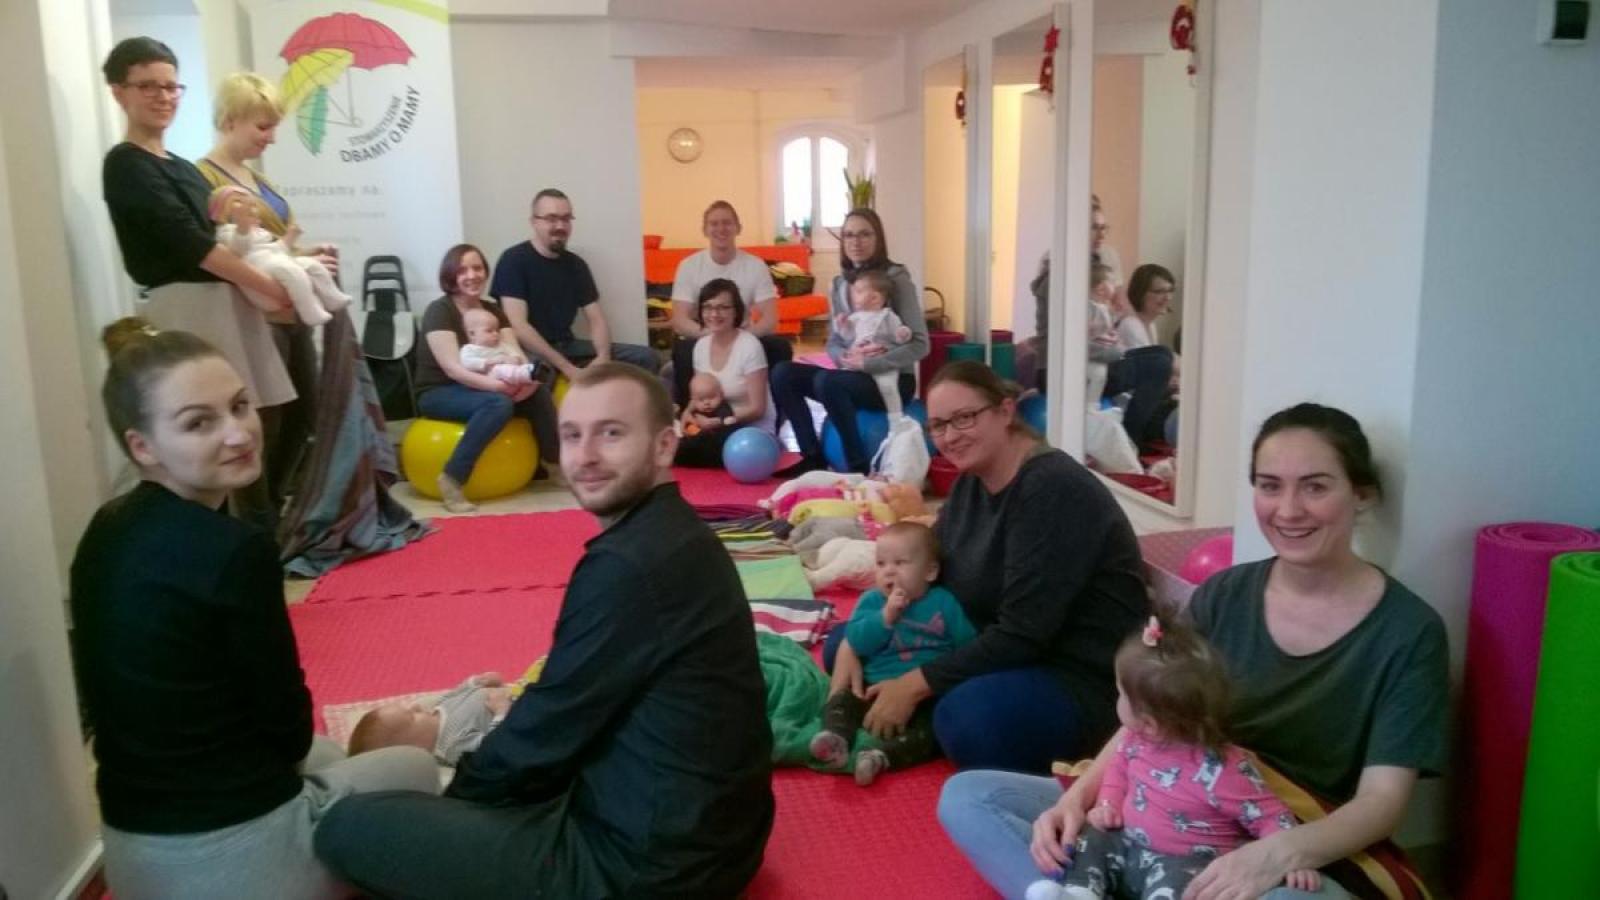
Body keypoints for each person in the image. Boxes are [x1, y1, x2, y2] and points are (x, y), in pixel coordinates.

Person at [939, 402, 1449, 900]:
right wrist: (1078, 799)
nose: (1289, 509)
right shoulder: (1225, 593)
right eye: (1270, 486)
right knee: (972, 797)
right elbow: (1147, 717)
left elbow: (1382, 801)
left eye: (1315, 486)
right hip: (1160, 796)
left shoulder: (1408, 630)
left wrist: (1275, 855)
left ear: (1361, 495)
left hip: (1281, 830)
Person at [314, 363, 776, 898]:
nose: (587, 455)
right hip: (722, 837)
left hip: (644, 868)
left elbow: (548, 725)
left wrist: (460, 799)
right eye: (572, 435)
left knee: (346, 824)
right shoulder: (674, 532)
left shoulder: (629, 564)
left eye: (611, 433)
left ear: (664, 446)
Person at [70, 319, 438, 900]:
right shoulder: (234, 551)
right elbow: (286, 728)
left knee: (329, 752)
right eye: (199, 423)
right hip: (229, 864)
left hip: (132, 856)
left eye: (239, 406)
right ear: (143, 446)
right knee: (414, 766)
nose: (239, 433)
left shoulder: (106, 528)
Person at [822, 361, 1147, 775]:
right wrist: (855, 640)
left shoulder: (1051, 488)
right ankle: (913, 710)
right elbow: (924, 570)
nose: (950, 437)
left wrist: (916, 683)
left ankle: (921, 713)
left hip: (1072, 671)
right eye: (938, 426)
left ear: (1005, 411)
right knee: (843, 642)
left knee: (967, 721)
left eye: (964, 418)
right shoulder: (973, 481)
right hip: (984, 637)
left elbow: (1025, 633)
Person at [101, 39, 296, 531]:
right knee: (211, 433)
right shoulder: (125, 163)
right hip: (188, 310)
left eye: (171, 86)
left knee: (259, 425)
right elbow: (192, 245)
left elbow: (221, 236)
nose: (164, 96)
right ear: (119, 92)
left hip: (228, 304)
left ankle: (259, 537)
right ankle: (233, 541)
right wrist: (271, 289)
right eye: (149, 86)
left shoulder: (183, 167)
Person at [1024, 616, 1319, 900]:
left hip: (1180, 863)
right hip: (1127, 843)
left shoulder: (1225, 771)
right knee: (1090, 837)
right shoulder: (1134, 739)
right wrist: (1107, 805)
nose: (1117, 700)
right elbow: (1118, 771)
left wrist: (1292, 858)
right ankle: (1079, 893)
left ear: (1150, 723)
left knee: (1185, 884)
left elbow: (1270, 815)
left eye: (1121, 694)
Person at [809, 522, 976, 786]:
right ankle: (835, 739)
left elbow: (968, 645)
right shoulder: (872, 601)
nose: (889, 571)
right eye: (881, 563)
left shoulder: (944, 603)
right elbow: (857, 641)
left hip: (925, 694)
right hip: (871, 686)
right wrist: (885, 617)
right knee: (842, 701)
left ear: (930, 572)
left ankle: (879, 757)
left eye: (900, 563)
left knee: (932, 730)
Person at [771, 207, 929, 475]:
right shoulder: (839, 284)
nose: (856, 242)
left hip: (891, 380)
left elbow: (921, 344)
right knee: (783, 373)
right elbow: (834, 340)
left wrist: (871, 362)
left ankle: (859, 469)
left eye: (865, 234)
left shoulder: (896, 279)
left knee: (827, 381)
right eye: (849, 235)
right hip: (852, 375)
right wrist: (843, 357)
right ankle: (812, 457)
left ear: (878, 238)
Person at [414, 244, 561, 513]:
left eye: (477, 268)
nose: (472, 275)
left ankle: (553, 464)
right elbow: (453, 369)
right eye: (463, 270)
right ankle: (452, 479)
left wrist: (524, 380)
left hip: (488, 386)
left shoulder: (493, 310)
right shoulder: (440, 311)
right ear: (451, 275)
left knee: (539, 390)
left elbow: (516, 354)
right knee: (497, 404)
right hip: (440, 391)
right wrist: (498, 388)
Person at [492, 188, 659, 378]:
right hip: (530, 351)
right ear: (534, 222)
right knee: (540, 373)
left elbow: (596, 319)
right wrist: (567, 368)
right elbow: (518, 325)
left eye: (566, 219)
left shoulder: (576, 265)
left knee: (646, 357)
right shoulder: (513, 260)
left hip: (569, 347)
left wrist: (603, 358)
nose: (560, 226)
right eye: (551, 218)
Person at [668, 200, 794, 403]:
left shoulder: (755, 265)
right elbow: (680, 320)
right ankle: (689, 415)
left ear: (738, 228)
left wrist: (739, 340)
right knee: (683, 351)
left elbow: (770, 320)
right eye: (714, 223)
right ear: (705, 230)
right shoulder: (689, 266)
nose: (721, 229)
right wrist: (713, 337)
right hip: (703, 335)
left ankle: (773, 412)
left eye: (727, 223)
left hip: (743, 335)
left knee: (779, 347)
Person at [208, 185, 350, 326]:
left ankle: (332, 297)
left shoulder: (259, 232)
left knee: (312, 265)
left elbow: (276, 249)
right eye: (237, 202)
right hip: (261, 277)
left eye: (252, 204)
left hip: (274, 262)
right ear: (220, 209)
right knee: (292, 271)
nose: (247, 207)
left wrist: (291, 236)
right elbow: (238, 250)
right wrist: (242, 228)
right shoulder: (226, 231)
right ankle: (310, 311)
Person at [674, 279, 775, 467]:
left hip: (749, 431)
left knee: (690, 450)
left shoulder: (750, 346)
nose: (714, 314)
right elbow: (700, 393)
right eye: (708, 307)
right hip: (714, 424)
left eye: (723, 307)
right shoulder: (701, 346)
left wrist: (720, 421)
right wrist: (688, 413)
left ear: (736, 311)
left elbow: (758, 409)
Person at [348, 673, 516, 766]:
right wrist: (502, 711)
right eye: (411, 717)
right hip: (518, 712)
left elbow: (454, 694)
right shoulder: (452, 745)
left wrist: (477, 682)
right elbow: (492, 749)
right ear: (415, 748)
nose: (415, 707)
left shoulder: (438, 708)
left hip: (513, 691)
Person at [836, 268, 916, 418]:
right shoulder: (856, 317)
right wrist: (843, 325)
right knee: (840, 380)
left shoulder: (888, 316)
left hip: (882, 363)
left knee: (888, 386)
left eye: (859, 292)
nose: (853, 296)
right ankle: (849, 410)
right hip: (859, 361)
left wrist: (903, 333)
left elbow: (898, 336)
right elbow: (847, 337)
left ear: (874, 298)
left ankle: (896, 416)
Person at [460, 307, 545, 386]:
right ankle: (528, 374)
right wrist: (489, 362)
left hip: (510, 371)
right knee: (499, 369)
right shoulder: (469, 349)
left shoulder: (502, 345)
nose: (496, 334)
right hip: (490, 376)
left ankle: (533, 371)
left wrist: (515, 359)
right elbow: (467, 363)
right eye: (489, 331)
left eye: (497, 330)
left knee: (520, 367)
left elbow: (514, 353)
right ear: (472, 334)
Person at [1116, 264, 1175, 351]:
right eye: (1159, 292)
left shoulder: (1150, 325)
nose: (1168, 297)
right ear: (1140, 294)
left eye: (1170, 291)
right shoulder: (1131, 325)